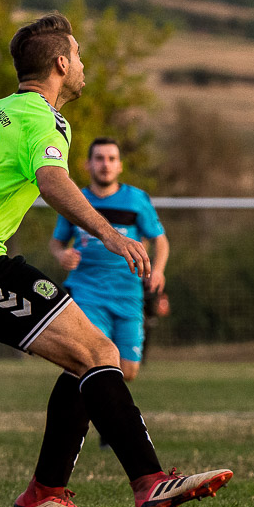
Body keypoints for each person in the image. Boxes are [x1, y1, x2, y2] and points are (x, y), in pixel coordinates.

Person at [0, 12, 232, 507]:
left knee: (88, 359)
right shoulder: (44, 119)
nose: (83, 65)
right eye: (78, 55)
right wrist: (109, 233)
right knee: (100, 353)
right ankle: (149, 482)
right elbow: (52, 180)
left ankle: (46, 492)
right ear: (61, 64)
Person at [49, 137, 169, 383]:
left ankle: (100, 401)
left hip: (128, 293)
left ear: (120, 165)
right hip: (87, 293)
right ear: (88, 165)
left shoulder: (136, 200)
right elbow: (56, 242)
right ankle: (83, 406)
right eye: (99, 158)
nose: (105, 164)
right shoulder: (75, 200)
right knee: (93, 359)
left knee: (128, 370)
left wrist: (157, 270)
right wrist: (62, 255)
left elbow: (160, 241)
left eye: (111, 159)